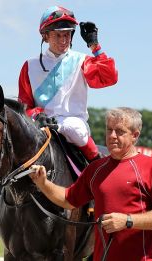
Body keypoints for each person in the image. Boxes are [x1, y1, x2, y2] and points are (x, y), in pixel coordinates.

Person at [29, 107, 152, 261]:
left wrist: (127, 221)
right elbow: (68, 199)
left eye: (119, 131)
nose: (112, 136)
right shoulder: (95, 169)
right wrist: (42, 183)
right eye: (109, 130)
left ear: (135, 135)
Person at [18, 5, 118, 162]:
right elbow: (24, 105)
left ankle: (96, 163)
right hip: (41, 124)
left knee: (74, 129)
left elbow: (109, 78)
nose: (64, 40)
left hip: (75, 124)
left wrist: (95, 47)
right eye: (58, 35)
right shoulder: (29, 66)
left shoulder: (82, 60)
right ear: (45, 36)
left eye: (67, 34)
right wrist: (37, 114)